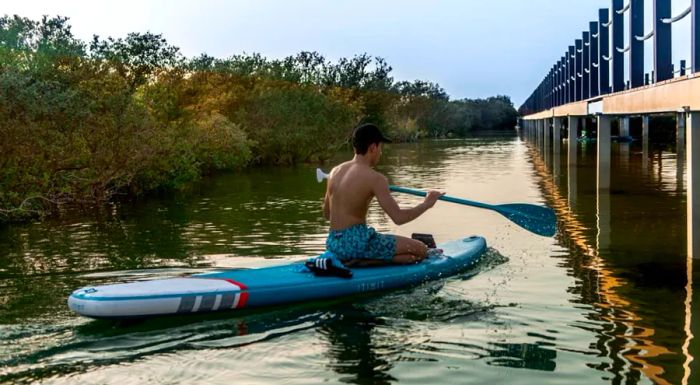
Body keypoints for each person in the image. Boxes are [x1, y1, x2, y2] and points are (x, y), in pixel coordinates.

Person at [322, 123, 444, 266]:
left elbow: (326, 213)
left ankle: (364, 258)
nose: (381, 152)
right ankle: (363, 261)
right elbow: (398, 218)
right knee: (420, 250)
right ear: (373, 147)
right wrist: (427, 204)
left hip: (333, 243)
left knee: (409, 258)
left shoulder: (334, 172)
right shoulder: (375, 178)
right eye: (381, 148)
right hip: (357, 244)